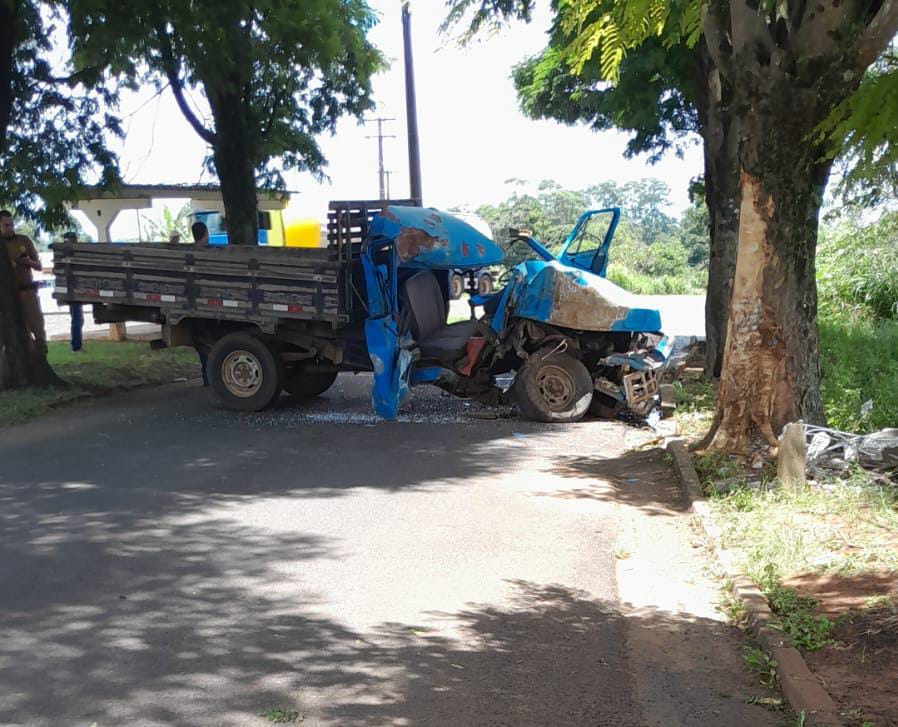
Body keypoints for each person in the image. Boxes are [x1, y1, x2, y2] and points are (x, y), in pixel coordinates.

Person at [1, 210, 47, 353]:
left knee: (37, 327)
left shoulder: (24, 240)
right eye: (6, 225)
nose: (10, 229)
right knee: (16, 331)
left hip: (27, 291)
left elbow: (39, 266)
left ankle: (40, 359)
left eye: (12, 225)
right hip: (7, 295)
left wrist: (28, 262)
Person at [191, 220, 210, 385]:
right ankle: (208, 376)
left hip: (194, 306)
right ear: (205, 234)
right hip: (207, 306)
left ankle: (206, 377)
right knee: (207, 341)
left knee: (202, 344)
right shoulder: (207, 254)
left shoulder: (189, 253)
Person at [62, 231, 84, 352]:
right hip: (72, 292)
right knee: (76, 319)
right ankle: (76, 347)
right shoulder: (67, 256)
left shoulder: (72, 255)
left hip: (75, 291)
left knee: (78, 319)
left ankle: (77, 345)